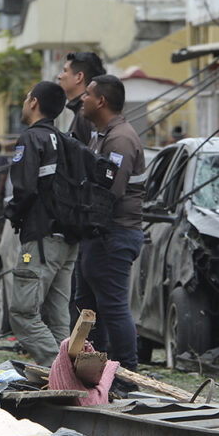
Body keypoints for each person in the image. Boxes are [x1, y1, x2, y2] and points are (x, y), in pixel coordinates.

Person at [3, 80, 77, 369]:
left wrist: (12, 211)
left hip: (39, 241)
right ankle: (67, 378)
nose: (23, 103)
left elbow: (25, 189)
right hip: (67, 241)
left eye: (24, 98)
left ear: (33, 102)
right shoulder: (65, 140)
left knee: (22, 313)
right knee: (58, 318)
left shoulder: (31, 138)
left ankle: (60, 371)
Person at [76, 74, 146, 374]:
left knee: (113, 307)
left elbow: (109, 192)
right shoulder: (102, 135)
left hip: (114, 234)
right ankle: (93, 372)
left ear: (101, 101)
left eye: (87, 94)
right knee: (88, 306)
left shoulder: (120, 139)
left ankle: (126, 374)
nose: (83, 99)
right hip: (100, 236)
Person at [56, 51, 105, 146]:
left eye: (65, 71)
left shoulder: (88, 113)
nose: (59, 76)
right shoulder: (83, 111)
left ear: (79, 77)